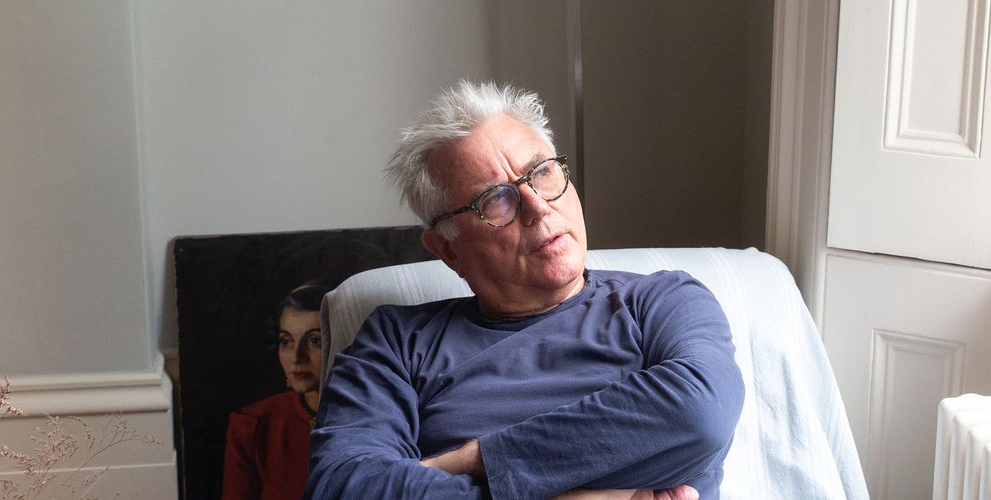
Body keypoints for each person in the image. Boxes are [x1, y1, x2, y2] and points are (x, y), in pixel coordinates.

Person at [305, 81, 744, 499]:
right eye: (495, 199)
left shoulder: (663, 301)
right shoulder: (397, 340)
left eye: (543, 172)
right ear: (447, 249)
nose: (538, 206)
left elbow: (699, 412)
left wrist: (475, 460)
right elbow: (342, 487)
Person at [223, 281, 330, 500]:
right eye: (286, 341)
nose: (296, 357)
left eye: (314, 340)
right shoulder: (253, 426)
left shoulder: (383, 418)